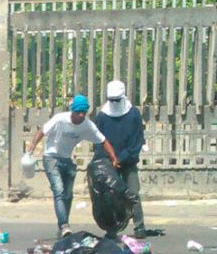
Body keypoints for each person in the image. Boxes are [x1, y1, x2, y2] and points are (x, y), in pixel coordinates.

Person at [27, 94, 120, 238]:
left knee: (68, 195)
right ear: (73, 111)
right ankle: (64, 225)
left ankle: (63, 226)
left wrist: (113, 158)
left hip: (67, 160)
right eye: (78, 112)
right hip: (51, 158)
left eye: (84, 112)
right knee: (58, 190)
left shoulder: (87, 125)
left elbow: (103, 140)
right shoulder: (60, 119)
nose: (81, 115)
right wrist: (32, 147)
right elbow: (42, 131)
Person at [93, 80, 147, 239]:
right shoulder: (102, 117)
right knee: (110, 197)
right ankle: (112, 228)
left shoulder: (133, 114)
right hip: (109, 163)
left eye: (117, 100)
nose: (115, 103)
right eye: (112, 100)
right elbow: (98, 141)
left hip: (128, 161)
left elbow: (137, 141)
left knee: (133, 193)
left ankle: (139, 226)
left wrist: (121, 158)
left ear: (123, 97)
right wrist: (109, 160)